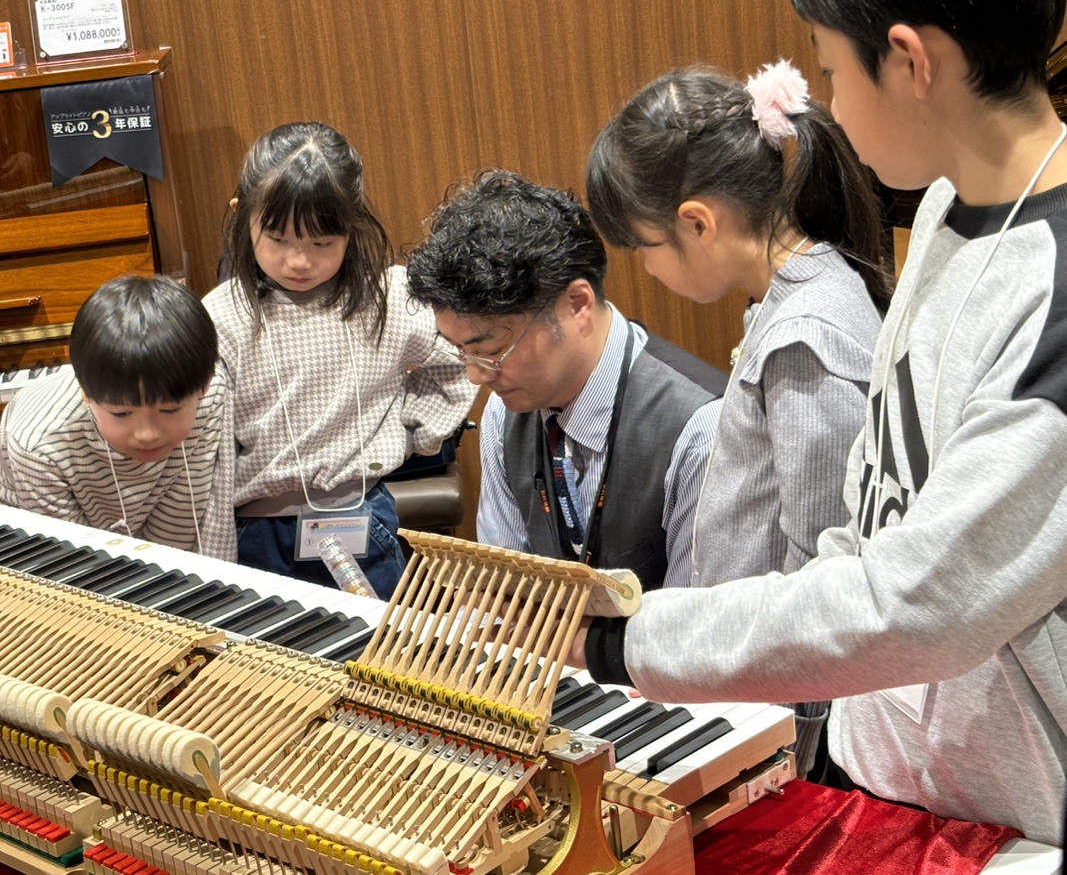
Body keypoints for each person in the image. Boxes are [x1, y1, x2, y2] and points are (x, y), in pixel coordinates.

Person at [573, 0, 1067, 843]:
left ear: (910, 62)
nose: (826, 105)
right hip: (894, 778)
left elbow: (916, 604)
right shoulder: (945, 205)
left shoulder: (1051, 291)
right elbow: (866, 520)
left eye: (832, 70)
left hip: (1009, 824)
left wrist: (620, 641)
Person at [585, 61, 890, 776]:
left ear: (698, 223)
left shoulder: (807, 335)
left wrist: (788, 751)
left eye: (644, 248)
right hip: (756, 690)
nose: (646, 270)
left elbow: (824, 583)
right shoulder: (786, 299)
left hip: (790, 719)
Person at [406, 170, 726, 591]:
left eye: (491, 349)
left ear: (577, 304)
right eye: (459, 350)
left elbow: (699, 622)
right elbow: (504, 591)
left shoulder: (701, 430)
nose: (475, 375)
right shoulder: (504, 413)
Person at [204, 122, 476, 599]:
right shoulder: (221, 317)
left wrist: (413, 432)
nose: (299, 261)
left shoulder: (388, 298)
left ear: (351, 225)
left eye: (321, 243)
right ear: (241, 214)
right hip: (256, 533)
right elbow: (208, 449)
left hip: (360, 517)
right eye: (279, 239)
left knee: (377, 646)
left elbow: (459, 357)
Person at [0, 275, 236, 560]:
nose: (147, 433)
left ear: (204, 385)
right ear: (86, 393)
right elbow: (70, 560)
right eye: (121, 413)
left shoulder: (209, 396)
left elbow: (186, 526)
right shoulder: (38, 442)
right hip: (15, 549)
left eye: (169, 410)